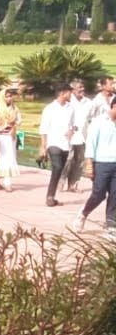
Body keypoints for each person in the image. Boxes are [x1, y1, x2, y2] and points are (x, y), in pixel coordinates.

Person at [78, 96, 116, 236]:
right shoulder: (99, 122)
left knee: (114, 195)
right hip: (101, 163)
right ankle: (84, 213)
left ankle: (111, 224)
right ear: (114, 106)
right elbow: (91, 143)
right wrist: (89, 164)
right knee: (98, 194)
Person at [39, 85, 76, 206]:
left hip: (66, 143)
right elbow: (44, 128)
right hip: (53, 143)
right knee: (57, 167)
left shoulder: (71, 108)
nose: (71, 95)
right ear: (62, 93)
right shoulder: (49, 108)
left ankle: (52, 196)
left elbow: (73, 125)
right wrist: (43, 146)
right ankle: (49, 197)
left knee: (58, 171)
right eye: (69, 92)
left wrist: (72, 130)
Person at [66, 79, 93, 193]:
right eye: (79, 88)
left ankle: (73, 185)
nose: (82, 89)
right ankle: (59, 184)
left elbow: (91, 119)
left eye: (83, 87)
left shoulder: (88, 102)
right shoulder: (67, 102)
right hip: (69, 137)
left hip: (83, 137)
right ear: (72, 90)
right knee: (67, 161)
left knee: (79, 162)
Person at [0, 87, 21, 192]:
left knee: (10, 158)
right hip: (0, 137)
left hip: (10, 137)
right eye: (7, 96)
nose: (9, 98)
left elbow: (19, 120)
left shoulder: (15, 109)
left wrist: (14, 122)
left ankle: (6, 181)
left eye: (10, 96)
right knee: (0, 158)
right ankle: (1, 179)